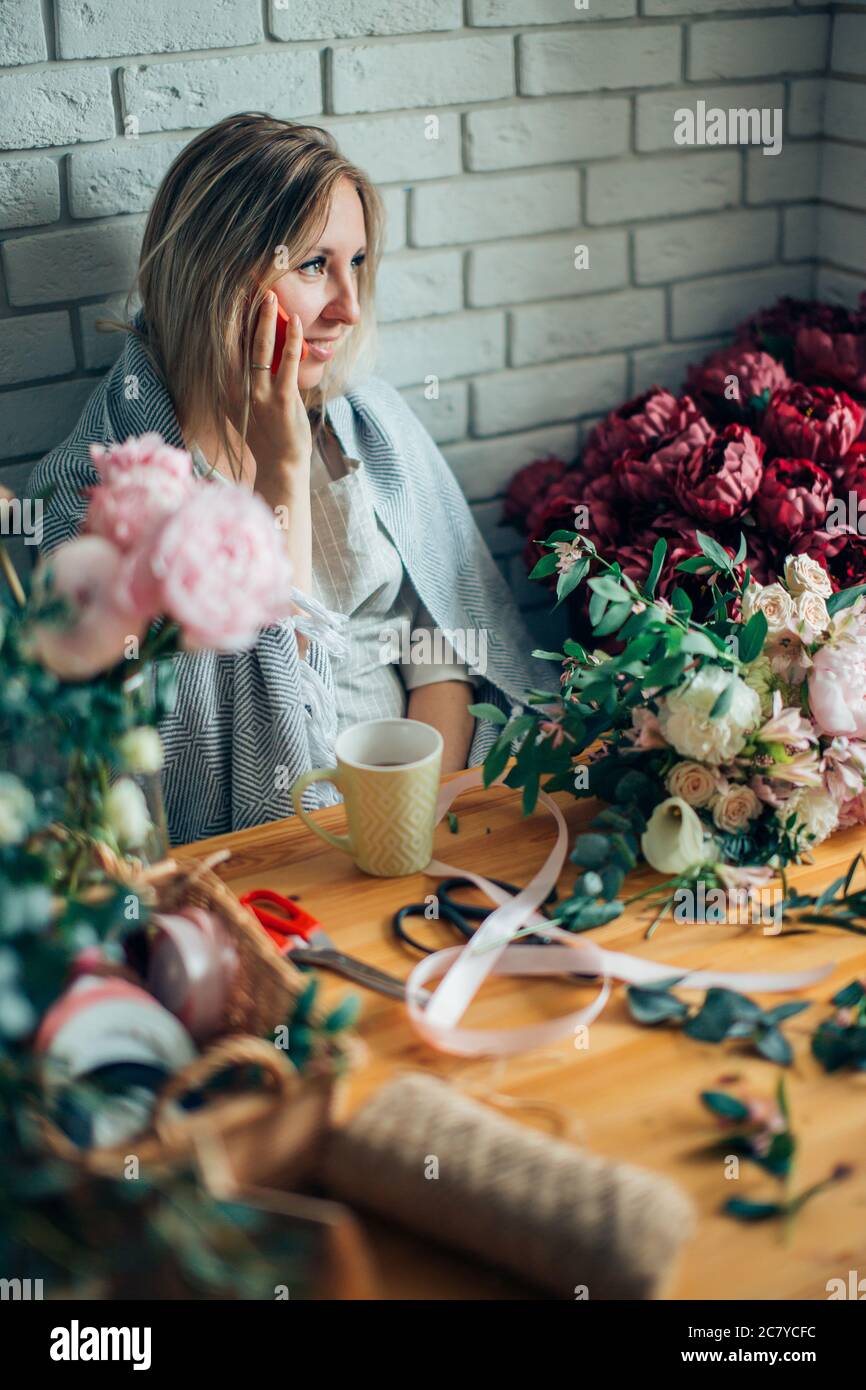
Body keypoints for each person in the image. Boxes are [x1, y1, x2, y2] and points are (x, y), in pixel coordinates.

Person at [28, 113, 551, 845]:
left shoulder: (368, 425)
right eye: (314, 266)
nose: (350, 306)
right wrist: (281, 468)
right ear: (218, 275)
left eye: (358, 264)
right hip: (276, 856)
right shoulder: (99, 499)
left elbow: (443, 656)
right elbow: (202, 764)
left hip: (419, 821)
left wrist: (416, 817)